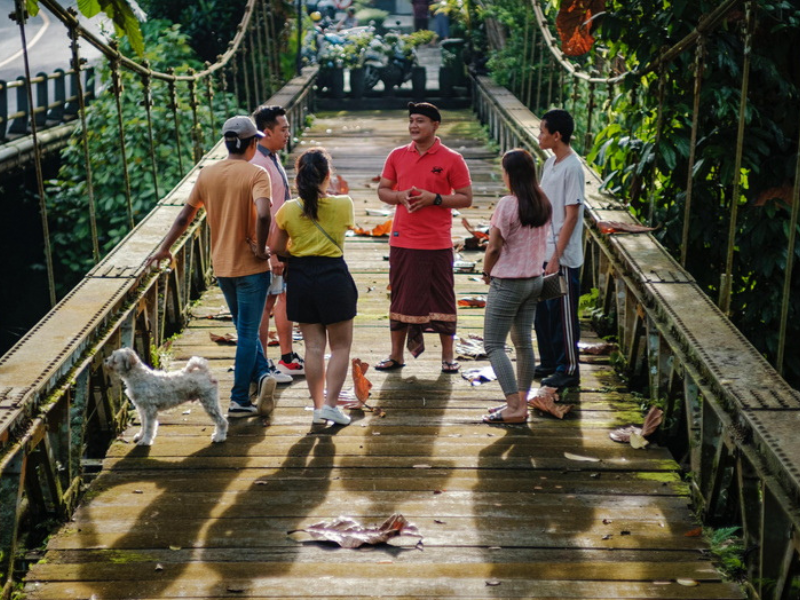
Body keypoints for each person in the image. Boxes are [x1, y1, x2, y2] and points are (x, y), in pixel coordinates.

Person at [149, 116, 278, 418]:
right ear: (251, 143)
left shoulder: (208, 174)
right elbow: (263, 215)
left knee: (242, 328)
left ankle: (262, 376)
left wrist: (164, 248)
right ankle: (238, 400)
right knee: (248, 333)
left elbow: (185, 217)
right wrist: (260, 248)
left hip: (222, 266)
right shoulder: (257, 173)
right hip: (251, 267)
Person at [376, 102, 472, 373]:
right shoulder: (397, 155)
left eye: (420, 121)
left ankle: (448, 356)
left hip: (437, 241)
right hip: (402, 239)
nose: (414, 126)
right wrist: (399, 196)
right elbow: (383, 189)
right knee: (401, 296)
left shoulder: (452, 159)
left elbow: (466, 197)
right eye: (411, 120)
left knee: (441, 297)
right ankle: (396, 355)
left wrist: (435, 199)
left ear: (435, 125)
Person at [270, 148, 357, 426]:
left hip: (301, 278)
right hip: (333, 276)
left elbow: (277, 248)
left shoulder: (287, 210)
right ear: (327, 176)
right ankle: (331, 405)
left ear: (298, 177)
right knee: (341, 347)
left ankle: (318, 407)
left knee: (313, 347)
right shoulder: (344, 204)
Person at [480, 149, 552, 424]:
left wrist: (486, 271)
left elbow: (494, 247)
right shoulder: (542, 200)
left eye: (504, 171)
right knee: (523, 344)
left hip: (508, 283)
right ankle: (520, 404)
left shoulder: (508, 204)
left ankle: (513, 406)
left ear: (511, 174)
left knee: (494, 344)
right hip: (534, 281)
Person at [251, 105, 304, 382]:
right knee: (265, 304)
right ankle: (261, 364)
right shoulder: (258, 164)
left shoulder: (270, 157)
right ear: (267, 132)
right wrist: (271, 252)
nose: (288, 133)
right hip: (269, 248)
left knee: (280, 298)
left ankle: (285, 358)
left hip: (278, 245)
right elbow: (262, 214)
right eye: (283, 129)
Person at [534, 109, 585, 389]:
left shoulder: (572, 167)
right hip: (543, 250)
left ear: (557, 135)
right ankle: (550, 362)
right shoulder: (550, 163)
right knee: (544, 312)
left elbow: (572, 215)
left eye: (543, 131)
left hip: (562, 256)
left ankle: (569, 368)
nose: (539, 136)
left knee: (564, 314)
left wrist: (556, 257)